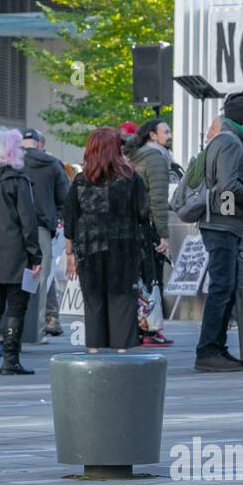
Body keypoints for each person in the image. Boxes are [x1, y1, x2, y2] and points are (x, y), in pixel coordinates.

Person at [195, 93, 243, 373]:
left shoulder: (221, 140)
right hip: (222, 225)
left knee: (224, 285)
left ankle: (216, 348)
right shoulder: (231, 144)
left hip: (219, 223)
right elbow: (228, 187)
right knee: (222, 286)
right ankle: (208, 350)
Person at [64, 127, 150, 352]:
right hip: (124, 246)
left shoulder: (81, 181)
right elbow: (143, 213)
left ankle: (94, 345)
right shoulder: (130, 179)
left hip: (89, 246)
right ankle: (122, 346)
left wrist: (69, 254)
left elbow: (71, 218)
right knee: (122, 297)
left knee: (93, 298)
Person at [0, 129, 41, 375]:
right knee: (16, 305)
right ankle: (10, 359)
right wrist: (36, 255)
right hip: (15, 251)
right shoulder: (18, 181)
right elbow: (28, 221)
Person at [128, 116, 177, 346]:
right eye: (165, 132)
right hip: (149, 227)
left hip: (132, 226)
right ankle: (151, 331)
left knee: (138, 279)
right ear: (152, 135)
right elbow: (158, 200)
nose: (169, 136)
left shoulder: (135, 157)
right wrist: (163, 234)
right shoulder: (156, 159)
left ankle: (137, 329)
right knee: (153, 279)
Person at [21, 127, 70, 342]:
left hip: (13, 228)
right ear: (40, 144)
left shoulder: (10, 161)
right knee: (40, 279)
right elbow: (65, 197)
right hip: (41, 228)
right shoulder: (52, 164)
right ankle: (37, 330)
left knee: (15, 278)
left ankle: (14, 329)